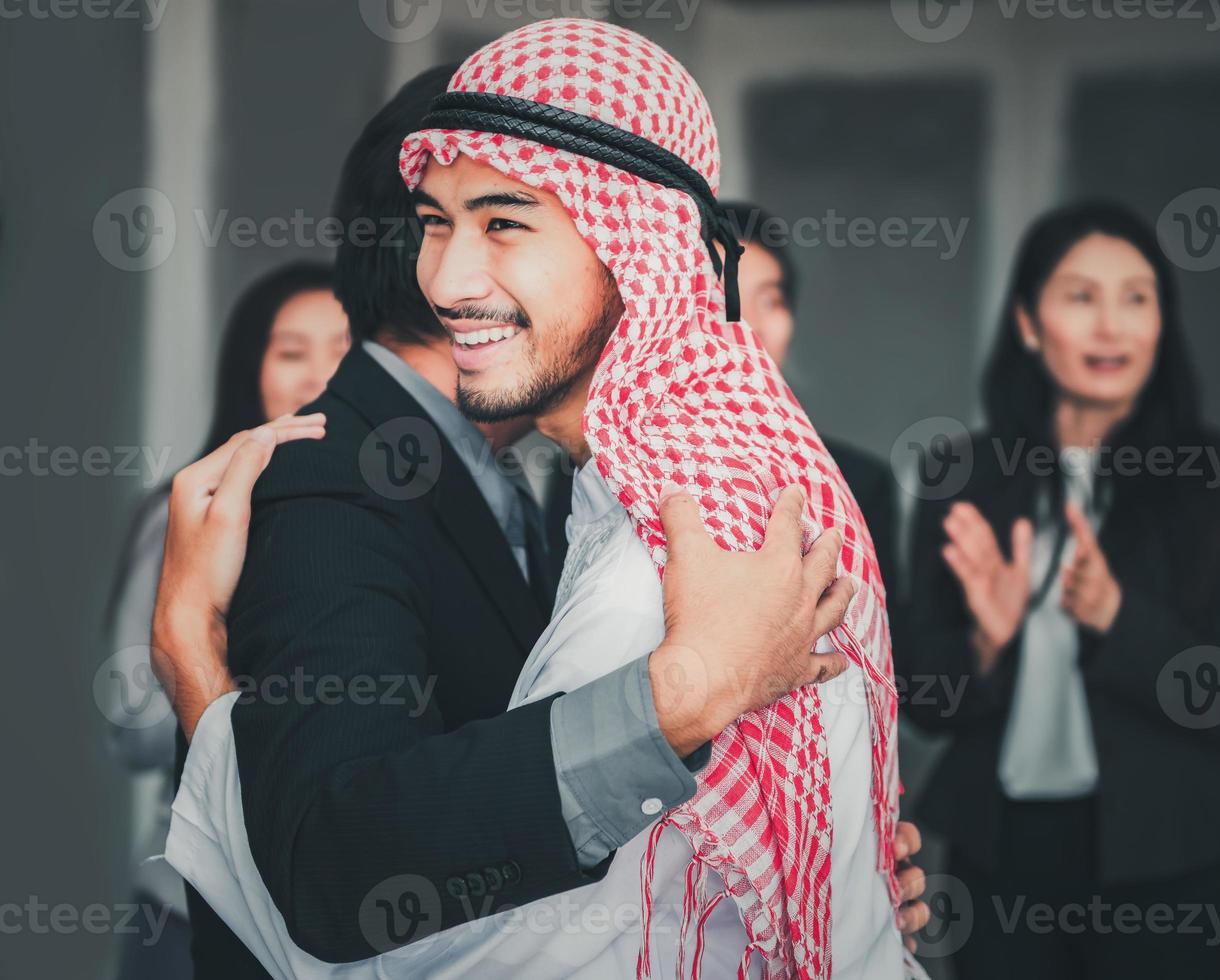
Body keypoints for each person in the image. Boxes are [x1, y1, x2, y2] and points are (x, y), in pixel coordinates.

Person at [151, 39, 928, 979]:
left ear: (632, 239)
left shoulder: (669, 525)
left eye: (506, 221)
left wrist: (825, 872)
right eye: (433, 223)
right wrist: (193, 668)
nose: (446, 280)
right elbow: (342, 874)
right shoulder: (338, 479)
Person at [899, 201, 1220, 979]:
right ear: (1029, 324)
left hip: (1166, 856)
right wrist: (986, 642)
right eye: (1080, 296)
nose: (1111, 326)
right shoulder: (961, 477)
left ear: (1160, 324)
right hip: (1001, 855)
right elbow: (923, 700)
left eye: (1135, 298)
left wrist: (1118, 619)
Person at [102, 261, 345, 980]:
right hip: (190, 912)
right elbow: (134, 729)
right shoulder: (191, 510)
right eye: (291, 352)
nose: (320, 377)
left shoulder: (409, 519)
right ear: (251, 372)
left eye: (344, 349)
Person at [720, 200, 898, 588]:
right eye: (723, 296)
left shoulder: (857, 485)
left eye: (769, 301)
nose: (749, 325)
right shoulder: (615, 472)